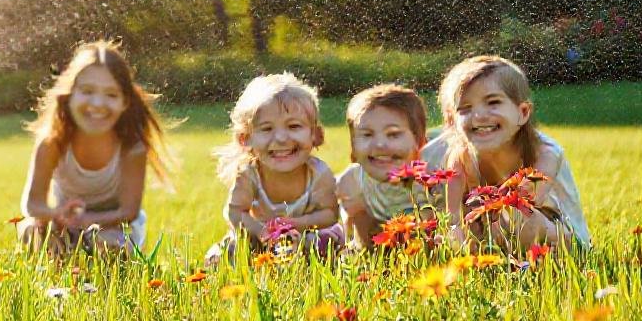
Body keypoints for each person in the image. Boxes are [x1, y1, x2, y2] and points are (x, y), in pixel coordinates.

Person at [17, 40, 172, 254]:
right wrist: (60, 214)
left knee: (106, 245)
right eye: (87, 91)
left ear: (125, 102)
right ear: (69, 95)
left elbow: (129, 211)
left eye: (111, 94)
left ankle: (102, 275)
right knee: (30, 230)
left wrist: (87, 221)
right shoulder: (52, 143)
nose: (97, 103)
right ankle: (59, 280)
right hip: (65, 225)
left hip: (115, 229)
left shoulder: (131, 149)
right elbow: (33, 205)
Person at [437, 55, 588, 250]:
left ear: (523, 113)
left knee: (522, 217)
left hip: (563, 239)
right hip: (499, 228)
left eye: (493, 102)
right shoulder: (460, 157)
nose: (479, 116)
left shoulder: (546, 152)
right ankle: (497, 261)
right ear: (452, 121)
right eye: (465, 108)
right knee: (459, 227)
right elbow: (452, 219)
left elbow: (526, 203)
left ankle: (519, 263)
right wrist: (459, 243)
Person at [205, 73, 341, 265]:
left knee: (320, 244)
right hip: (261, 236)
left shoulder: (319, 173)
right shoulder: (248, 174)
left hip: (308, 233)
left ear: (316, 135)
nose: (281, 138)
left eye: (294, 126)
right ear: (245, 139)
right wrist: (263, 232)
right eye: (267, 129)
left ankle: (308, 273)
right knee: (231, 249)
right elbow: (234, 212)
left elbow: (330, 215)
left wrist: (296, 225)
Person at [336, 84, 445, 248]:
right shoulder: (351, 182)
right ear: (353, 148)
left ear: (420, 142)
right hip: (379, 243)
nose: (380, 144)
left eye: (393, 134)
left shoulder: (433, 177)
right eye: (367, 134)